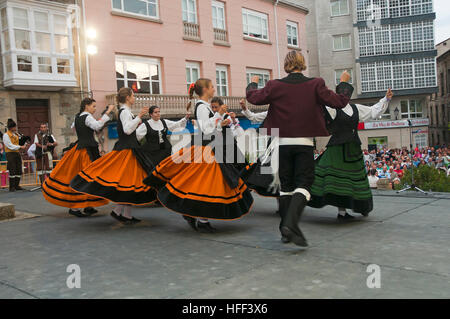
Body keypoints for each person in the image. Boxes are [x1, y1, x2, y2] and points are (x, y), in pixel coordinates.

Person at [246, 50, 353, 247]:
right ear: (302, 63)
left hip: (281, 144)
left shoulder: (274, 85)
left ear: (287, 64)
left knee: (286, 187)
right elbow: (339, 102)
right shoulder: (315, 84)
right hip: (303, 143)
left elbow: (254, 97)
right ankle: (290, 224)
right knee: (304, 184)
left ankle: (286, 231)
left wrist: (252, 82)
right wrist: (344, 83)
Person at [143, 78, 253, 233]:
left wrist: (220, 118)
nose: (214, 89)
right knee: (205, 183)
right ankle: (201, 220)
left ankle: (194, 215)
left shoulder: (205, 106)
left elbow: (211, 126)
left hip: (210, 147)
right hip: (206, 148)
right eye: (212, 87)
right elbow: (206, 129)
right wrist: (218, 115)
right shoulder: (201, 107)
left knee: (201, 183)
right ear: (206, 89)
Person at [71, 88, 157, 224]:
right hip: (126, 151)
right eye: (133, 95)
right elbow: (127, 130)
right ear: (128, 98)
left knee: (129, 183)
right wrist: (140, 116)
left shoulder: (126, 111)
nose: (135, 98)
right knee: (129, 182)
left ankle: (122, 213)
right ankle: (120, 213)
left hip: (130, 149)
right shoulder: (124, 112)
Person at [309, 88, 393, 219]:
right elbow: (318, 111)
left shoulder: (355, 108)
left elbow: (373, 111)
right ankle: (342, 212)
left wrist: (386, 99)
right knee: (339, 181)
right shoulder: (332, 108)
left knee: (355, 180)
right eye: (343, 93)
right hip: (337, 150)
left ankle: (361, 206)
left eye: (347, 93)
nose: (345, 95)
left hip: (353, 148)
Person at [42, 98, 113, 217]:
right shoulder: (87, 117)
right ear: (86, 106)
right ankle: (76, 208)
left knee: (86, 178)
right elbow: (97, 126)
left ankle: (88, 205)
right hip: (87, 151)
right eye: (93, 106)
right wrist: (107, 112)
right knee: (86, 178)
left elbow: (74, 129)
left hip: (81, 148)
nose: (94, 109)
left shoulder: (78, 117)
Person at [2, 119, 27, 191]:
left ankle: (17, 185)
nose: (15, 128)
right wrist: (20, 147)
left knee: (18, 169)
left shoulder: (16, 134)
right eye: (14, 127)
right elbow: (9, 145)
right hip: (10, 153)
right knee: (12, 169)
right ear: (11, 127)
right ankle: (11, 187)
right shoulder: (6, 135)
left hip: (16, 153)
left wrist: (24, 142)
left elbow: (19, 143)